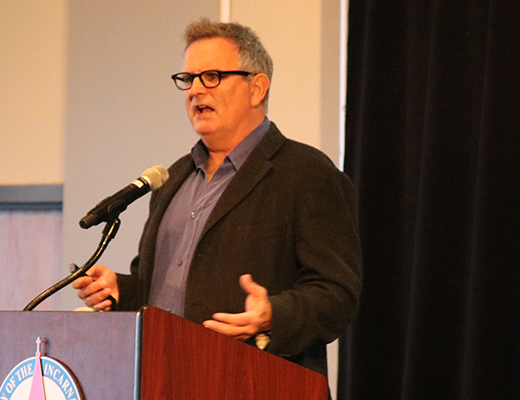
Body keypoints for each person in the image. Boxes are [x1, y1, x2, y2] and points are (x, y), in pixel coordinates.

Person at [72, 18, 361, 376]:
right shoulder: (172, 178)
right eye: (188, 79)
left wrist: (272, 314)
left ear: (257, 89)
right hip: (162, 381)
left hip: (254, 381)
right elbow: (160, 291)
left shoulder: (306, 173)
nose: (195, 90)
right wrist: (121, 291)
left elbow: (337, 294)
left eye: (212, 76)